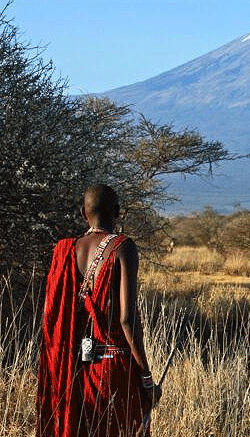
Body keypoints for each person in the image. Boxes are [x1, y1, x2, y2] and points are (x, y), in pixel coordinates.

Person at [37, 184, 161, 437]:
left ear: (83, 213)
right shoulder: (123, 247)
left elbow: (50, 316)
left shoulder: (65, 250)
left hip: (75, 369)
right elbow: (127, 320)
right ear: (117, 211)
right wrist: (146, 377)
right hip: (114, 369)